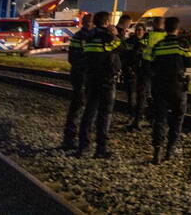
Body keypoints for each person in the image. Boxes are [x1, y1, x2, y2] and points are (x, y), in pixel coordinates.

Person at [147, 16, 191, 164]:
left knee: (160, 118)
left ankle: (157, 151)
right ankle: (170, 150)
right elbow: (190, 63)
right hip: (177, 86)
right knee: (177, 118)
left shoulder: (159, 45)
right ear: (177, 29)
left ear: (165, 28)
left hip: (160, 85)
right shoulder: (182, 44)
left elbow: (152, 64)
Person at [78, 11, 121, 158]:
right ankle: (100, 149)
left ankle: (83, 146)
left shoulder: (89, 36)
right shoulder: (107, 37)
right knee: (104, 114)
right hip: (106, 80)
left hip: (91, 78)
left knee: (89, 112)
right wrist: (116, 34)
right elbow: (122, 48)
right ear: (107, 22)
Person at [61, 13, 92, 150]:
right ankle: (71, 137)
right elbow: (73, 57)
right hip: (82, 75)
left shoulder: (82, 36)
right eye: (88, 22)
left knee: (80, 105)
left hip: (83, 75)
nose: (90, 25)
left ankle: (73, 137)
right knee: (79, 105)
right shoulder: (81, 37)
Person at [129, 17, 166, 130]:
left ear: (154, 24)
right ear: (163, 25)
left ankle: (138, 119)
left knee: (143, 96)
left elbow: (139, 50)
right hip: (160, 71)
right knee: (158, 97)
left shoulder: (148, 37)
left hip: (147, 69)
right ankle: (155, 120)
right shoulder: (166, 38)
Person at [121, 24, 147, 122]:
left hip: (143, 73)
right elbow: (124, 56)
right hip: (130, 72)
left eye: (140, 30)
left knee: (142, 96)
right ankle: (132, 116)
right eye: (137, 30)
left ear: (144, 31)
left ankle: (138, 117)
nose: (138, 32)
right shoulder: (129, 42)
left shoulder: (148, 42)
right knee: (131, 96)